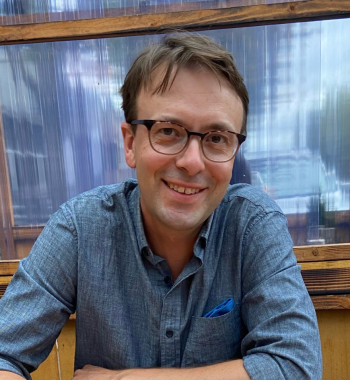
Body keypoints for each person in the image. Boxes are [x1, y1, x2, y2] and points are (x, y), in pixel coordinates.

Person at [0, 33, 322, 380]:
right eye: (168, 131)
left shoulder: (252, 224)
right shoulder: (80, 229)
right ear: (130, 143)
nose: (192, 161)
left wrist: (127, 378)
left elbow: (296, 366)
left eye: (216, 138)